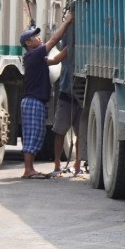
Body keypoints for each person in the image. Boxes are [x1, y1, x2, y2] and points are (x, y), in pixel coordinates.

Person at [18, 11, 73, 179]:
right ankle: (28, 170)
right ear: (28, 43)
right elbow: (54, 40)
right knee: (32, 135)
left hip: (35, 102)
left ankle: (30, 168)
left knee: (36, 134)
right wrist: (68, 21)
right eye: (35, 37)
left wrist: (72, 46)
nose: (39, 38)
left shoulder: (36, 58)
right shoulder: (34, 54)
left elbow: (55, 60)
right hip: (33, 102)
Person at [48, 20, 83, 178]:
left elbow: (55, 58)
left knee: (71, 132)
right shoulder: (69, 48)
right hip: (69, 92)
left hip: (72, 93)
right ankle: (61, 164)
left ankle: (74, 165)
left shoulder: (71, 48)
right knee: (63, 131)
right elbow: (56, 57)